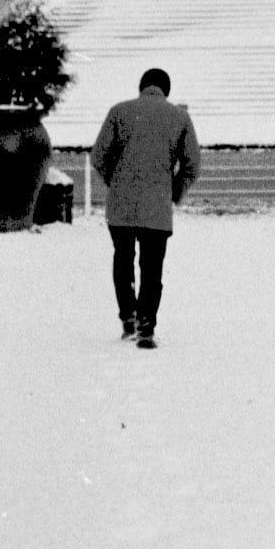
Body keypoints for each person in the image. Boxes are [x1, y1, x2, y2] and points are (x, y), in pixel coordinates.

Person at [90, 66, 201, 349]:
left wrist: (114, 182)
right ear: (167, 90)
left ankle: (127, 316)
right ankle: (146, 325)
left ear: (141, 87)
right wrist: (173, 192)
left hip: (122, 205)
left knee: (123, 261)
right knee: (152, 268)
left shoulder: (119, 112)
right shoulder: (179, 117)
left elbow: (99, 155)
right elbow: (192, 164)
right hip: (156, 206)